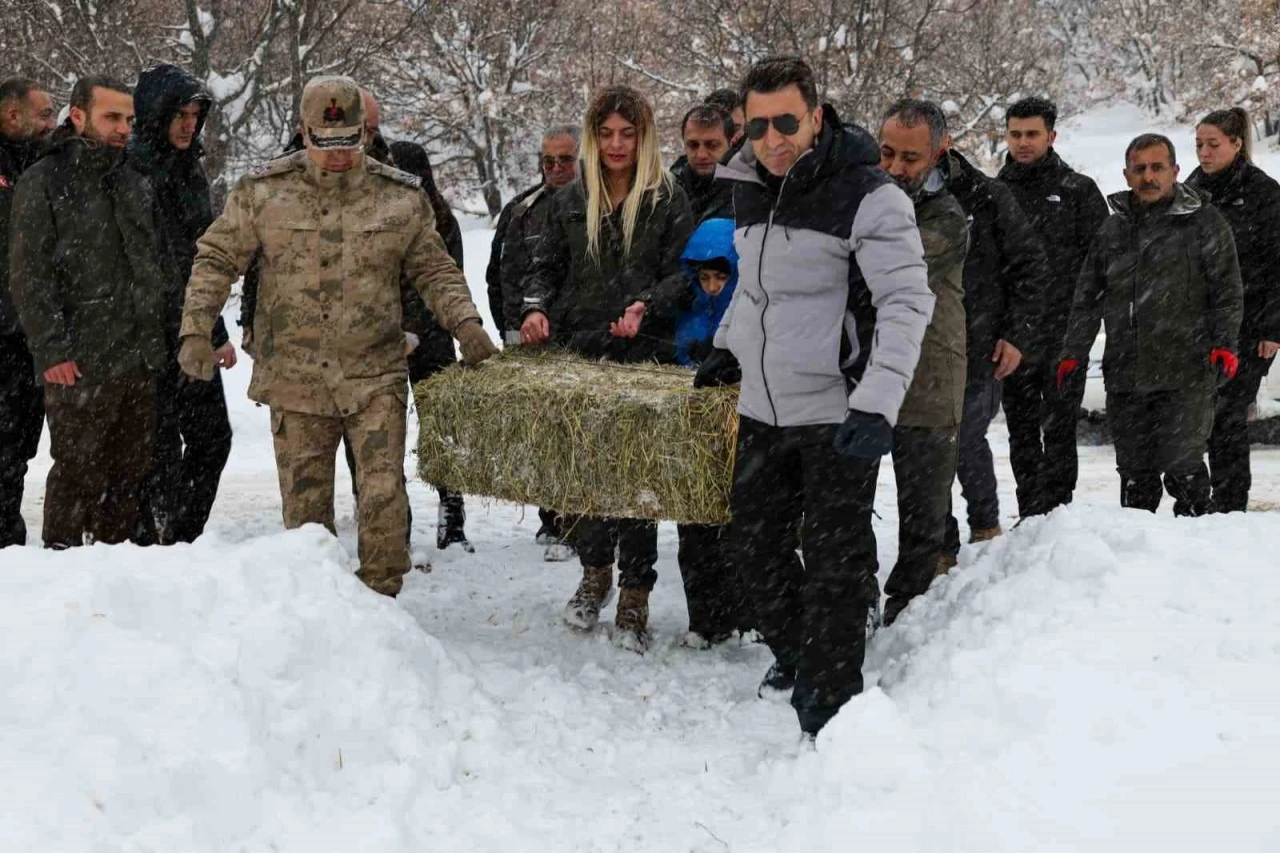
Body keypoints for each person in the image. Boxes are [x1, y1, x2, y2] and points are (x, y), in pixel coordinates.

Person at [177, 75, 497, 597]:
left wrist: (466, 323)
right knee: (305, 518)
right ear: (304, 133)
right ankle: (319, 616)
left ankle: (382, 604)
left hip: (374, 373)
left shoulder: (399, 199)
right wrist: (195, 329)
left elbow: (434, 271)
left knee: (382, 499)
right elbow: (216, 259)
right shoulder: (263, 194)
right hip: (296, 381)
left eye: (350, 141)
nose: (339, 154)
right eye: (326, 143)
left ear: (366, 135)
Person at [697, 56, 932, 737]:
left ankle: (829, 702)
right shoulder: (746, 186)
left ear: (817, 118)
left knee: (834, 562)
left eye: (788, 122)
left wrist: (877, 404)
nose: (773, 138)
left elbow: (907, 303)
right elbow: (759, 290)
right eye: (759, 124)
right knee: (753, 550)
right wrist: (728, 343)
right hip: (764, 409)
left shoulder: (869, 195)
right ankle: (802, 655)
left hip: (838, 410)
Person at [519, 85, 694, 652]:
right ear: (592, 137)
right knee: (588, 473)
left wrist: (648, 307)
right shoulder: (572, 199)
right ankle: (594, 576)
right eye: (606, 133)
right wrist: (536, 309)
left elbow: (684, 275)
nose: (617, 144)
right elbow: (543, 266)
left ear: (644, 137)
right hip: (584, 352)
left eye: (628, 133)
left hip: (647, 356)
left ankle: (637, 595)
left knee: (637, 479)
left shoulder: (668, 198)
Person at [10, 76, 168, 549]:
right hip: (78, 358)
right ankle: (62, 572)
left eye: (129, 120)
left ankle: (114, 574)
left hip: (137, 355)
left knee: (130, 474)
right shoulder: (45, 180)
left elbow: (155, 265)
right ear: (78, 116)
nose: (124, 129)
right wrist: (52, 349)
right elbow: (29, 275)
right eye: (112, 117)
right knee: (78, 473)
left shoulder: (134, 180)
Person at [1058, 134, 1242, 516]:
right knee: (1135, 474)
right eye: (1139, 169)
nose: (1149, 176)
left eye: (1158, 167)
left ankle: (1193, 550)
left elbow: (1227, 290)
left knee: (1182, 466)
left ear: (1175, 171)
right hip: (1127, 372)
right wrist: (1073, 353)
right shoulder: (1113, 230)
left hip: (1188, 370)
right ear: (1127, 175)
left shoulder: (1205, 223)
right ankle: (1137, 560)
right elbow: (1087, 297)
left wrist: (1225, 343)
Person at [128, 64, 236, 545]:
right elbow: (154, 259)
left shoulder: (192, 168)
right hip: (143, 333)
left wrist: (216, 332)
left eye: (196, 114)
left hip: (190, 327)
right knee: (157, 449)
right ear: (156, 114)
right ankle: (151, 546)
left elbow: (201, 254)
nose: (189, 124)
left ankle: (182, 539)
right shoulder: (131, 171)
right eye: (179, 114)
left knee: (213, 439)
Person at [876, 99, 968, 626]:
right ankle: (858, 595)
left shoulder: (947, 218)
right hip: (866, 374)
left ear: (939, 152)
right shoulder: (866, 195)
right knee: (846, 499)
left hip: (929, 374)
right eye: (886, 152)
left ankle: (908, 609)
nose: (895, 168)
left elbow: (888, 270)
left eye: (910, 158)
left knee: (924, 506)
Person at [998, 97, 1110, 519]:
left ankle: (1059, 516)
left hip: (1066, 337)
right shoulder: (996, 192)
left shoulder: (1078, 191)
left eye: (1032, 134)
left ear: (1051, 136)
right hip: (1014, 339)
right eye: (1015, 134)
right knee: (1021, 432)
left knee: (1061, 431)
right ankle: (1030, 516)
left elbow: (1102, 266)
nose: (1023, 143)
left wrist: (1084, 328)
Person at [939, 143, 1049, 564]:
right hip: (919, 343)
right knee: (925, 449)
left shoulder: (987, 195)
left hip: (979, 343)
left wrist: (1016, 334)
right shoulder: (892, 192)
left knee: (963, 438)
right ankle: (939, 541)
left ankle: (985, 527)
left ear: (942, 145)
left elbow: (1030, 265)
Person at [485, 123, 580, 559]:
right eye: (549, 160)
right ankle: (553, 519)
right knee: (545, 434)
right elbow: (499, 275)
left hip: (582, 338)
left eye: (565, 159)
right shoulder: (520, 210)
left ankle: (590, 523)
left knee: (582, 433)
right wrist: (510, 329)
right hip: (529, 339)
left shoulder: (597, 203)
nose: (557, 168)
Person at [1186, 108, 1280, 512]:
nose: (1204, 153)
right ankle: (1196, 501)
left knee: (1225, 417)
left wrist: (1273, 327)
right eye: (1199, 145)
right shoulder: (1190, 187)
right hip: (1194, 322)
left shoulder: (1264, 193)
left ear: (1236, 144)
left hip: (1249, 325)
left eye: (1213, 145)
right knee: (1194, 418)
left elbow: (1277, 263)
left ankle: (1229, 505)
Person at [387, 138, 473, 552]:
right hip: (386, 337)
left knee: (440, 428)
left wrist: (419, 329)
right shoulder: (378, 213)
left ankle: (452, 514)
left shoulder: (440, 219)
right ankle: (391, 518)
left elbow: (444, 276)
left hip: (433, 336)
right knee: (384, 432)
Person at [673, 217, 743, 647]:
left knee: (740, 528)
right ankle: (705, 618)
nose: (713, 286)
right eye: (705, 278)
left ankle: (746, 613)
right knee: (695, 531)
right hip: (696, 435)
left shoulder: (750, 314)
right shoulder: (688, 313)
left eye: (722, 277)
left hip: (739, 433)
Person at [0, 77, 56, 547]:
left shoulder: (44, 164)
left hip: (28, 334)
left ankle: (8, 532)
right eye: (44, 114)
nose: (51, 124)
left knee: (19, 445)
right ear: (12, 115)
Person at [671, 104, 734, 223]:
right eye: (693, 145)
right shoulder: (668, 194)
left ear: (730, 144)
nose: (701, 155)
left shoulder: (749, 194)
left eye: (712, 145)